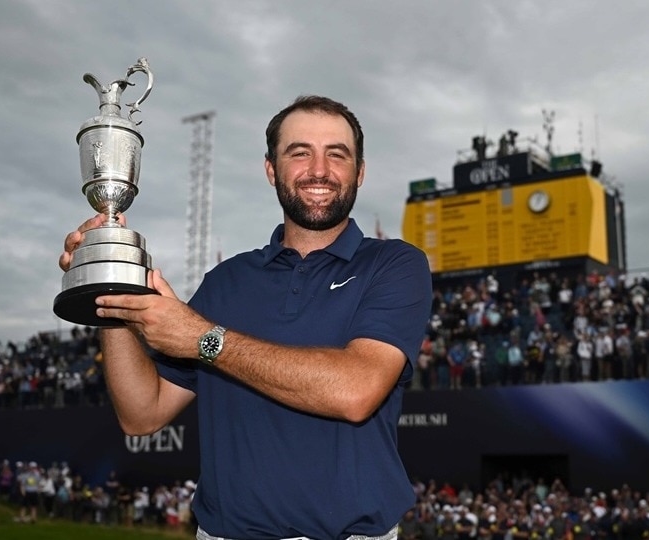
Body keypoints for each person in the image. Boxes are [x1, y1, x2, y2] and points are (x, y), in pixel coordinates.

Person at [58, 95, 433, 539]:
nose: (319, 170)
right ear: (271, 169)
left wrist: (204, 339)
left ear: (360, 172)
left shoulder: (395, 264)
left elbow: (357, 391)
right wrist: (113, 290)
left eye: (337, 154)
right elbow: (143, 413)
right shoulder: (227, 281)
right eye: (299, 152)